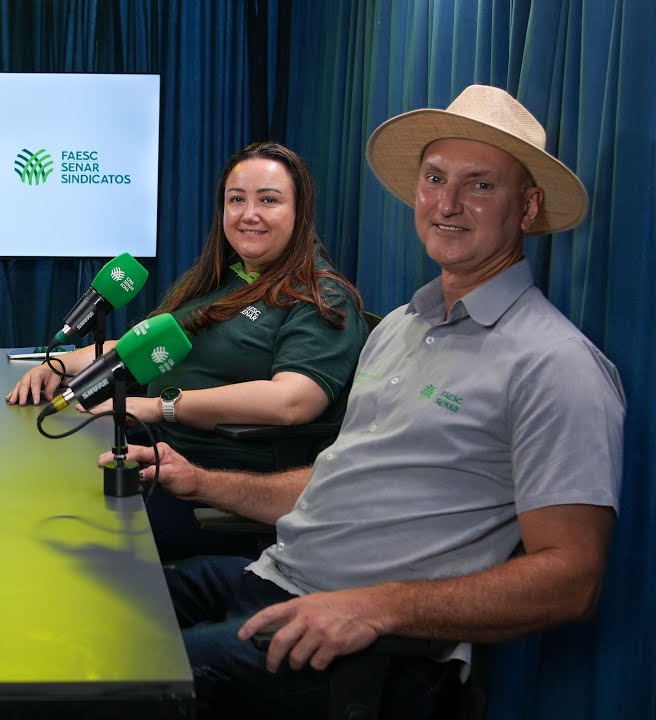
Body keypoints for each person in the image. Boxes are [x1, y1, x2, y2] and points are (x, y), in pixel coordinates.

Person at [103, 85, 625, 718]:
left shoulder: (556, 363)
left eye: (480, 185)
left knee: (111, 683)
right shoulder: (401, 326)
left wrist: (374, 608)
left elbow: (573, 578)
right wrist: (203, 482)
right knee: (84, 608)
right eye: (435, 178)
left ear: (528, 206)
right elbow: (336, 481)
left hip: (363, 643)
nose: (449, 203)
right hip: (272, 577)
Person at [8, 142, 367, 559]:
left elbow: (293, 400)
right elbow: (140, 347)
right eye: (237, 200)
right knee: (32, 499)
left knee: (59, 546)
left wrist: (160, 406)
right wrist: (60, 365)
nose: (249, 214)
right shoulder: (219, 279)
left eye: (268, 200)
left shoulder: (321, 297)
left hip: (216, 483)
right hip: (154, 452)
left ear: (299, 212)